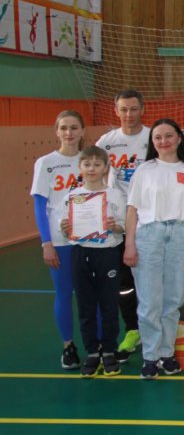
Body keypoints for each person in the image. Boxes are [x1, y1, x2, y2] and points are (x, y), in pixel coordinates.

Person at [124, 119, 184, 380]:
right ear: (152, 142)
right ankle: (150, 357)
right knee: (150, 302)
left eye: (169, 136)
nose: (163, 141)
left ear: (179, 139)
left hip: (181, 236)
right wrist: (129, 244)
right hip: (149, 236)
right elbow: (132, 210)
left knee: (173, 301)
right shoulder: (144, 171)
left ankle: (167, 354)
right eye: (157, 137)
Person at [60, 146, 126, 377]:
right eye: (87, 164)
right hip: (81, 253)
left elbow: (124, 225)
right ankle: (91, 352)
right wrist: (65, 227)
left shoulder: (115, 195)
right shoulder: (72, 197)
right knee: (86, 306)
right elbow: (65, 228)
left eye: (97, 164)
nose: (92, 169)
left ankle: (108, 350)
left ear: (106, 167)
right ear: (80, 167)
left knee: (109, 304)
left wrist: (115, 227)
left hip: (107, 253)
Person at [94, 88, 149, 359]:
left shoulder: (152, 137)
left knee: (149, 278)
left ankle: (155, 328)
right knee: (124, 282)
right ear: (116, 111)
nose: (129, 114)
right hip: (117, 222)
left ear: (142, 109)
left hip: (148, 219)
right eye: (124, 109)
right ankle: (132, 329)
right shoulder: (106, 142)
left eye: (134, 109)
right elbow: (93, 177)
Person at [31, 110, 87, 369]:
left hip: (90, 240)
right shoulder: (46, 163)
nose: (69, 132)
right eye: (64, 127)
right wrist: (46, 242)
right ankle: (68, 346)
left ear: (82, 130)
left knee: (93, 295)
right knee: (64, 293)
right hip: (61, 241)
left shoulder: (90, 160)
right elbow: (40, 205)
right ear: (56, 131)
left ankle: (97, 345)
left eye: (74, 127)